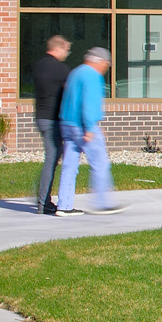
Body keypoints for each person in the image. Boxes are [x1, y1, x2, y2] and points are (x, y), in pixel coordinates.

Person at [59, 45, 120, 215]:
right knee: (100, 163)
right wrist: (91, 127)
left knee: (69, 167)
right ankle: (102, 203)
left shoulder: (75, 73)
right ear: (99, 62)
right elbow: (89, 103)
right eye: (106, 64)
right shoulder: (92, 76)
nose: (106, 68)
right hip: (83, 126)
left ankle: (64, 206)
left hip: (67, 124)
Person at [29, 33, 77, 215]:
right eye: (66, 49)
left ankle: (44, 198)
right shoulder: (60, 69)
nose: (67, 53)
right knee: (52, 159)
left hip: (40, 117)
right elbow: (71, 91)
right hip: (52, 119)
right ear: (57, 48)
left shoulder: (39, 65)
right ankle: (44, 202)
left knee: (52, 158)